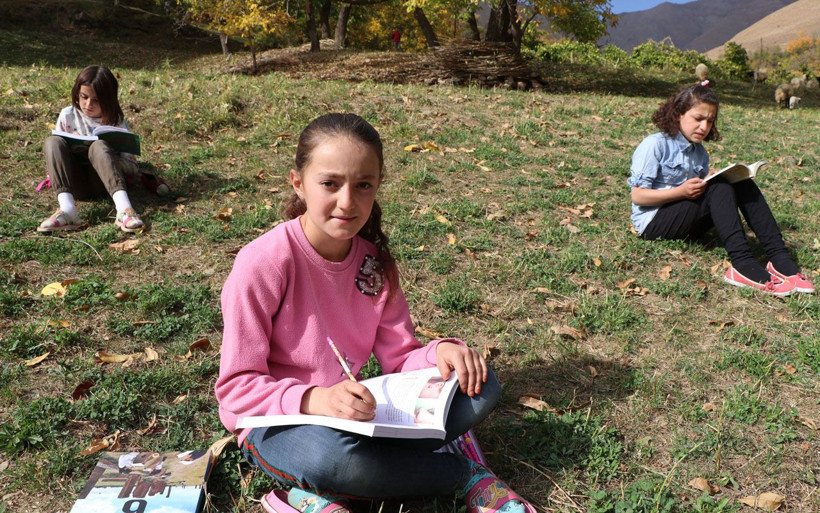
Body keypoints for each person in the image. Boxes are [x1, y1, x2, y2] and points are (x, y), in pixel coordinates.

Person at [215, 113, 534, 513]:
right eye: (329, 183)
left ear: (377, 186)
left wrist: (441, 353)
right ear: (298, 182)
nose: (347, 202)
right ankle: (463, 474)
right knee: (337, 459)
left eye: (363, 185)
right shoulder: (263, 263)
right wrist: (317, 399)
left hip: (359, 413)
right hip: (279, 423)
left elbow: (400, 357)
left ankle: (325, 492)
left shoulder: (375, 265)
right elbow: (236, 388)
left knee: (480, 387)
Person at [628, 81, 815, 296]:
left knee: (738, 181)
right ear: (678, 113)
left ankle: (779, 258)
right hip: (654, 223)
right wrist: (681, 191)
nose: (704, 127)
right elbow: (638, 196)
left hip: (686, 222)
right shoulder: (655, 144)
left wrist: (708, 181)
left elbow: (700, 197)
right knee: (719, 187)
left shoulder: (700, 152)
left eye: (710, 121)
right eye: (698, 119)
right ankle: (742, 264)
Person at [37, 65, 144, 233]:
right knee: (52, 141)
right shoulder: (68, 116)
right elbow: (56, 159)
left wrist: (111, 159)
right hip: (75, 182)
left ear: (108, 99)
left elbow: (133, 168)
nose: (88, 104)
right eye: (84, 97)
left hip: (104, 183)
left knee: (99, 146)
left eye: (96, 100)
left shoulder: (117, 122)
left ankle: (124, 210)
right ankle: (67, 210)